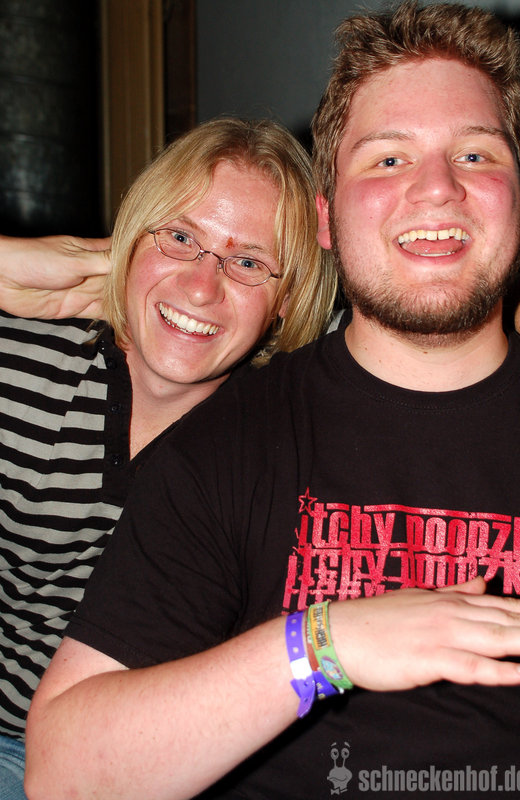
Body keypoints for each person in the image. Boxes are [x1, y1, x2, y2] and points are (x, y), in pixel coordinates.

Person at [24, 2, 520, 798]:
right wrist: (322, 645)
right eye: (388, 159)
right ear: (328, 220)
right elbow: (64, 773)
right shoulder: (228, 440)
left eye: (474, 154)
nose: (437, 188)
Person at [0, 117, 337, 799]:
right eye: (180, 238)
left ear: (286, 301)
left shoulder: (283, 418)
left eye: (248, 262)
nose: (201, 286)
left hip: (140, 763)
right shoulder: (23, 358)